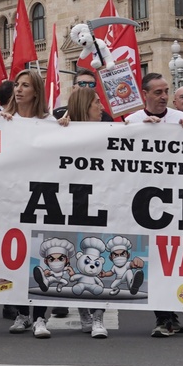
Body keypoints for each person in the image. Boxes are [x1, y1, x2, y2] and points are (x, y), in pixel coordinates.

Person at [125, 74, 183, 337]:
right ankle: (165, 317)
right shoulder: (132, 121)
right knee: (151, 260)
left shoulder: (181, 120)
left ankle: (170, 315)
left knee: (172, 260)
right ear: (145, 95)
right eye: (158, 92)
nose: (164, 96)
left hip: (176, 203)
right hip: (144, 203)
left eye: (166, 91)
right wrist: (140, 130)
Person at [0, 68, 59, 338]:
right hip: (11, 199)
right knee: (16, 258)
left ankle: (39, 318)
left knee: (40, 257)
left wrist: (66, 129)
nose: (19, 89)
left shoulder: (51, 124)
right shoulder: (2, 120)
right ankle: (22, 313)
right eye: (16, 85)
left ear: (37, 91)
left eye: (25, 85)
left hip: (42, 200)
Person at [56, 86, 115, 339]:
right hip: (72, 203)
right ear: (84, 108)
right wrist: (57, 130)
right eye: (96, 104)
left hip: (103, 202)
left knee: (99, 257)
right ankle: (84, 311)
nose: (101, 108)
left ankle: (99, 316)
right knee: (80, 259)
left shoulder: (110, 128)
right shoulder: (61, 129)